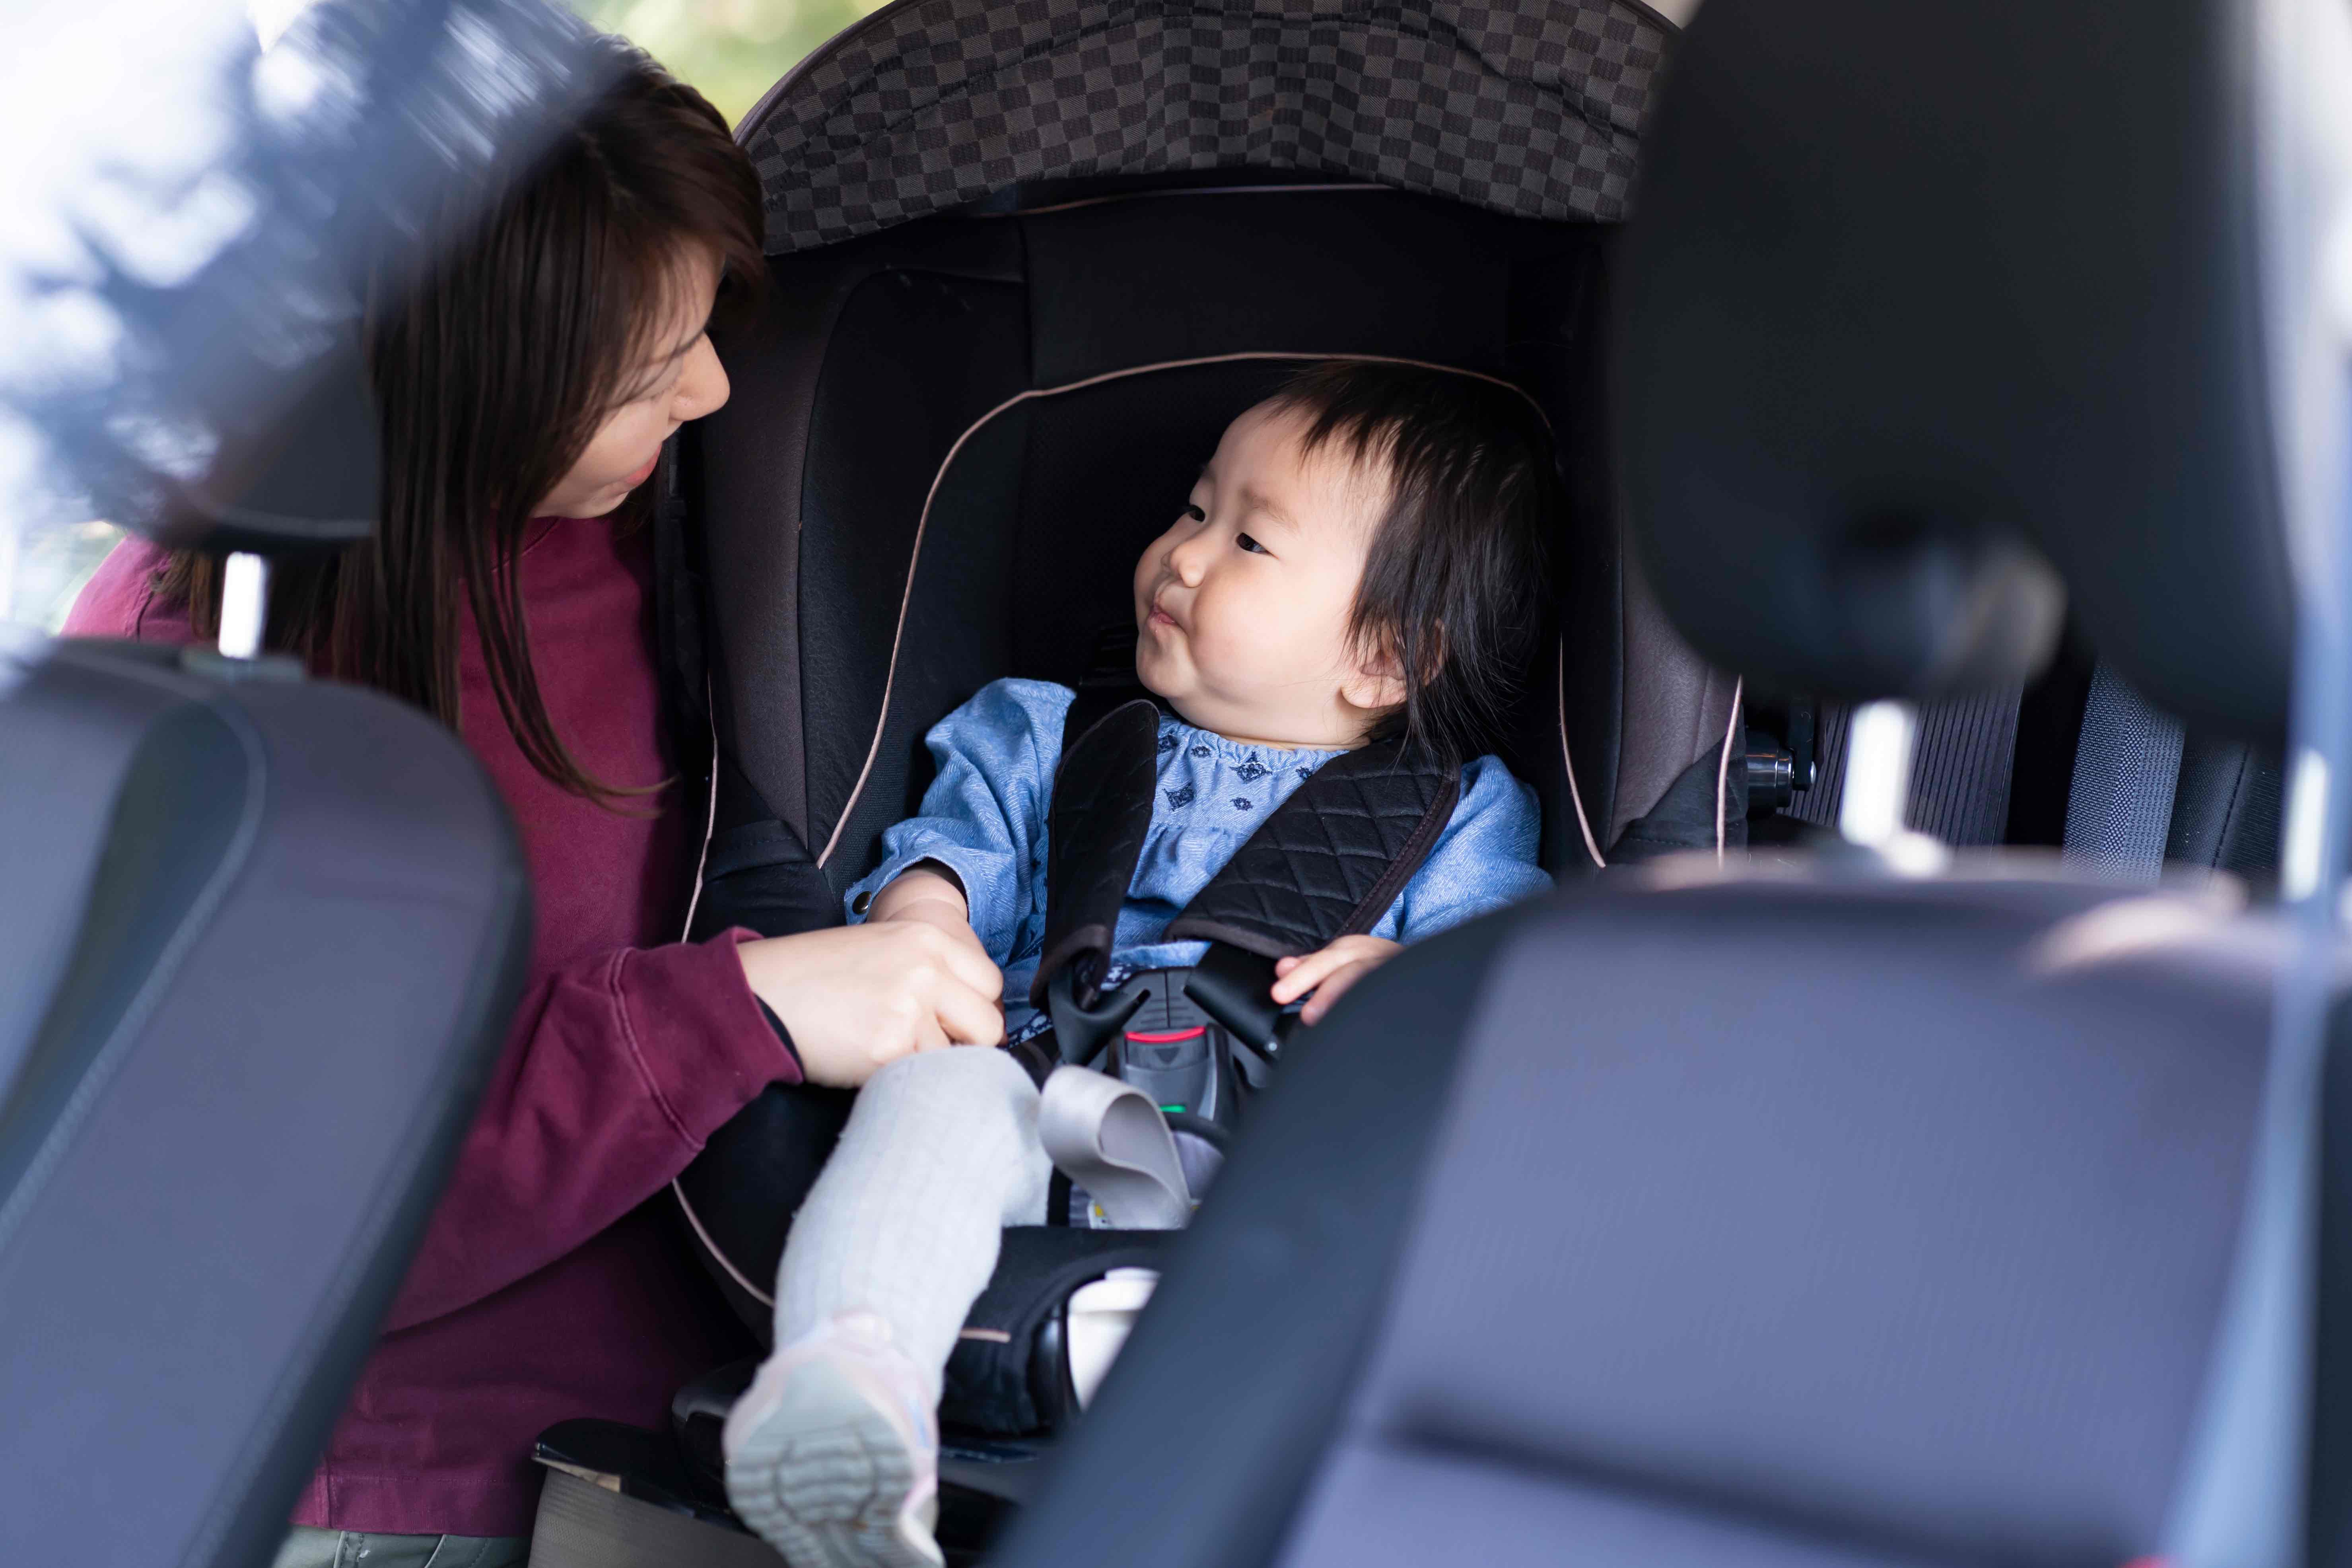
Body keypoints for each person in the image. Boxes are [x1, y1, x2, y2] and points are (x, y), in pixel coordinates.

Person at [64, 52, 1003, 1568]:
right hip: (404, 1503)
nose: (710, 389)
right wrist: (729, 1012)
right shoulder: (213, 677)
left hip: (710, 1456)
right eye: (651, 371)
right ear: (471, 385)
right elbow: (246, 1232)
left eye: (711, 331)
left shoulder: (672, 516)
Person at [721, 360, 1559, 1568]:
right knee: (931, 1100)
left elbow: (1504, 969)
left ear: (1382, 659)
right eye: (1192, 508)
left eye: (1248, 543)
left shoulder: (1459, 813)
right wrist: (926, 911)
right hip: (1037, 1086)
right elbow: (955, 848)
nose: (1181, 554)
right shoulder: (1049, 731)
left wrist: (1408, 985)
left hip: (1283, 1139)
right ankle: (852, 1385)